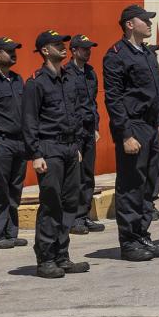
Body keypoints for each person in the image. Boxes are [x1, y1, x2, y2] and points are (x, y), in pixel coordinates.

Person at [102, 5, 159, 261]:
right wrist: (125, 134)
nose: (150, 24)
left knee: (147, 185)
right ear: (130, 24)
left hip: (151, 126)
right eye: (145, 20)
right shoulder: (116, 56)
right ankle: (129, 242)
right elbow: (115, 99)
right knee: (131, 185)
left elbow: (157, 95)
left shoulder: (147, 54)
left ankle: (142, 235)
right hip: (134, 126)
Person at [22, 30, 90, 278]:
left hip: (71, 148)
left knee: (70, 203)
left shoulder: (70, 79)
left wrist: (79, 146)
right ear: (44, 51)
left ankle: (62, 255)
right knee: (51, 203)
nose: (63, 47)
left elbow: (77, 113)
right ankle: (46, 258)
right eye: (56, 44)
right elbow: (29, 121)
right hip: (49, 148)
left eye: (63, 43)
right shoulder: (36, 82)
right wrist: (36, 154)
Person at [0, 37, 28, 250]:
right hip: (1, 141)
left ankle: (11, 232)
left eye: (15, 50)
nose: (14, 54)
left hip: (20, 141)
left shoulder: (18, 80)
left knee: (15, 188)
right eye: (9, 51)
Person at [65, 36, 106, 235]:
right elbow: (69, 106)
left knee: (88, 175)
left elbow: (93, 103)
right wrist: (73, 136)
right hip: (76, 132)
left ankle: (84, 215)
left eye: (89, 49)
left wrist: (96, 126)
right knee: (75, 177)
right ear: (73, 50)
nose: (88, 52)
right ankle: (74, 218)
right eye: (83, 49)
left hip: (89, 130)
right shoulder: (66, 73)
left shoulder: (90, 73)